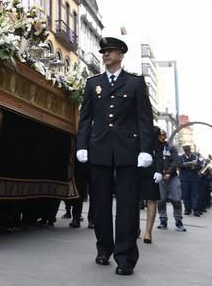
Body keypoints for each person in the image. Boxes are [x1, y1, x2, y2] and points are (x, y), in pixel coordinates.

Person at [76, 37, 153, 276]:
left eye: (110, 51)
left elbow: (144, 119)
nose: (105, 55)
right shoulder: (93, 84)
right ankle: (104, 248)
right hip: (99, 150)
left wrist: (145, 149)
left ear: (121, 54)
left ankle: (126, 257)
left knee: (127, 207)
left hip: (128, 151)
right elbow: (86, 118)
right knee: (99, 204)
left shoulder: (135, 83)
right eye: (104, 52)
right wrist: (82, 144)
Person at [156, 129, 186, 231]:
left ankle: (178, 222)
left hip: (172, 177)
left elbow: (176, 161)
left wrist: (169, 172)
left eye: (164, 135)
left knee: (176, 199)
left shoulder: (171, 147)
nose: (162, 137)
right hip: (159, 178)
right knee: (161, 200)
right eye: (160, 135)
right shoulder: (154, 147)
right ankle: (163, 220)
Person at [138, 126, 164, 243]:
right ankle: (134, 228)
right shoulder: (129, 126)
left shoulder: (154, 131)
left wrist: (159, 170)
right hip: (134, 170)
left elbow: (158, 153)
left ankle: (148, 232)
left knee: (151, 200)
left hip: (150, 171)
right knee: (132, 200)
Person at [179, 145, 201, 216]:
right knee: (185, 195)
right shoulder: (181, 157)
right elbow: (179, 165)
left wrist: (195, 166)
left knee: (195, 194)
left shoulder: (195, 157)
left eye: (188, 150)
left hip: (194, 179)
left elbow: (200, 166)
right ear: (184, 151)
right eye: (186, 151)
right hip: (184, 179)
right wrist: (187, 165)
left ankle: (195, 210)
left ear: (190, 150)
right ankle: (187, 209)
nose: (187, 152)